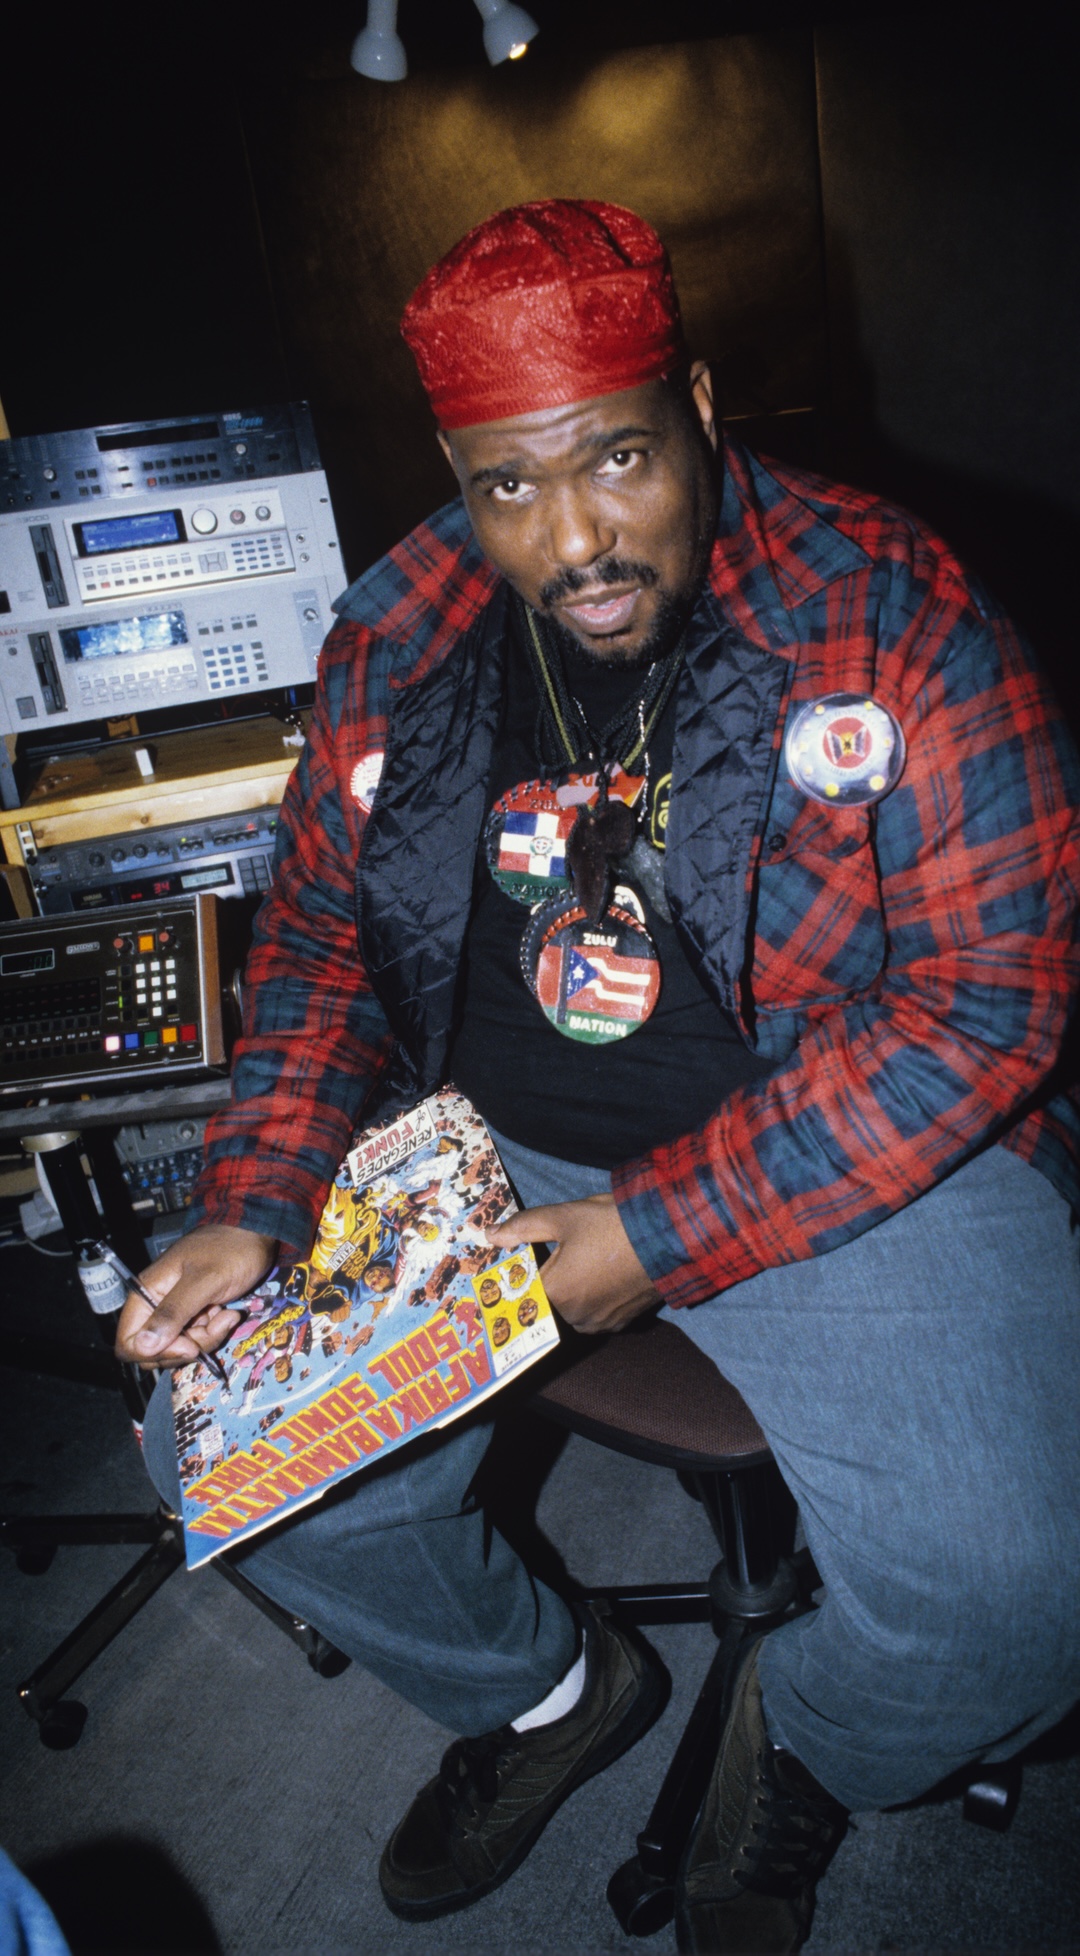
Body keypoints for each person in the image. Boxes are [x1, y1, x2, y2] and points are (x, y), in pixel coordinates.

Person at [117, 201, 1080, 1953]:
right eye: (506, 487)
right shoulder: (394, 638)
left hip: (836, 1141)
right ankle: (557, 1697)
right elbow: (328, 950)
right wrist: (253, 1199)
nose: (573, 539)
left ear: (700, 408)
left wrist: (657, 1229)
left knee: (1016, 1594)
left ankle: (816, 1744)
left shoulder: (894, 613)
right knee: (210, 1456)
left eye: (619, 459)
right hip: (472, 1148)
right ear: (454, 470)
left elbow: (987, 1004)